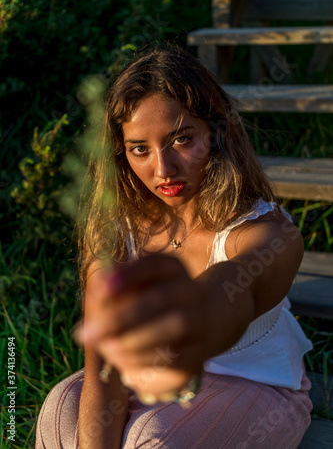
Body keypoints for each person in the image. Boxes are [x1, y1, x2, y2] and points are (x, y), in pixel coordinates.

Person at [35, 44, 313, 449]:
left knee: (155, 441)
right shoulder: (115, 232)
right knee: (60, 410)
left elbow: (233, 286)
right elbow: (104, 368)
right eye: (140, 149)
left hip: (257, 386)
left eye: (181, 140)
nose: (162, 169)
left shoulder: (265, 233)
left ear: (216, 133)